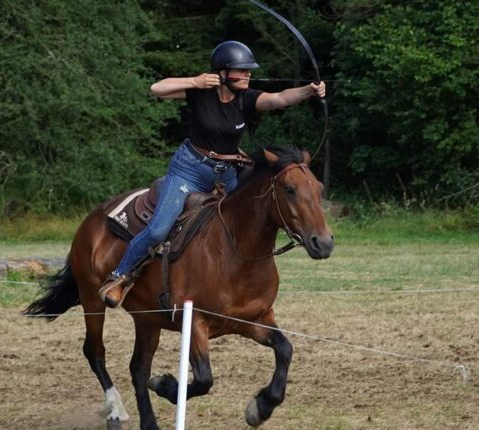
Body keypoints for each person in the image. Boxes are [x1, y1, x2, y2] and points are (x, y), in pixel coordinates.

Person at [99, 40, 325, 307]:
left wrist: (309, 91)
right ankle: (120, 276)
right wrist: (195, 81)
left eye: (248, 70)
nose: (248, 74)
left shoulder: (247, 98)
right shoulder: (200, 93)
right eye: (242, 70)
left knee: (247, 223)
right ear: (223, 73)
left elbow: (280, 98)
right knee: (159, 229)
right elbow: (156, 88)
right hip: (188, 170)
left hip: (226, 173)